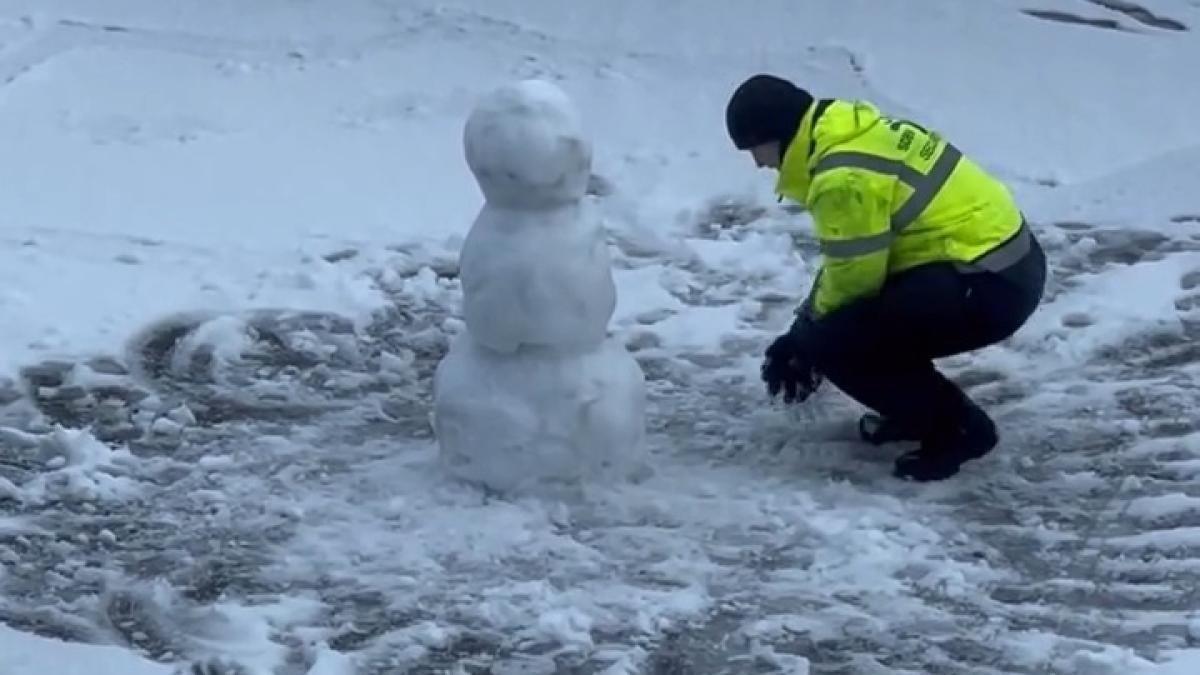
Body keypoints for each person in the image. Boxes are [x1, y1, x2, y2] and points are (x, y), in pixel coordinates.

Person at [724, 73, 1047, 482]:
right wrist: (803, 328)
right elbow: (853, 262)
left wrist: (804, 340)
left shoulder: (842, 177)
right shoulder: (852, 130)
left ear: (779, 134)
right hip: (999, 265)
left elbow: (854, 280)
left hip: (989, 283)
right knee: (858, 324)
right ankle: (915, 412)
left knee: (840, 342)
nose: (758, 162)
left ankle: (961, 431)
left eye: (756, 148)